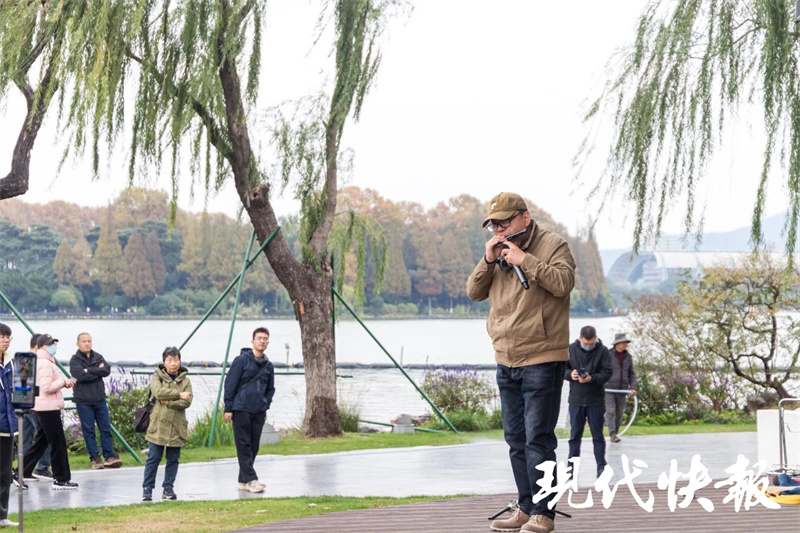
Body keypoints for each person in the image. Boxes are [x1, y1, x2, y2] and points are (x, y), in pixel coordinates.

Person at [466, 192, 575, 533]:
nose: (499, 229)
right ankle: (526, 508)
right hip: (506, 358)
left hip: (542, 357)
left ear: (525, 217)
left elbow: (563, 283)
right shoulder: (497, 252)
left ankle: (544, 513)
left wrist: (525, 260)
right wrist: (487, 260)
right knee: (515, 439)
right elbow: (473, 292)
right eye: (494, 225)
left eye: (505, 222)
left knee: (538, 439)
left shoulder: (553, 245)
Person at [22, 334, 79, 490]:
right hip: (48, 408)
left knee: (42, 441)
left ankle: (21, 470)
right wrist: (64, 382)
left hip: (41, 406)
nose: (53, 347)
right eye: (50, 344)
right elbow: (47, 387)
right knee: (58, 443)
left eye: (54, 343)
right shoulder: (46, 363)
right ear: (41, 347)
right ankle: (61, 479)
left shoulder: (37, 361)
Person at [224, 327, 275, 494]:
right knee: (243, 445)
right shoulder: (241, 360)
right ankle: (252, 480)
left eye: (265, 339)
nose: (262, 341)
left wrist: (265, 404)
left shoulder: (268, 366)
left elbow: (270, 389)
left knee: (253, 446)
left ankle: (243, 480)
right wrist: (228, 407)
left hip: (258, 410)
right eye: (259, 338)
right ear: (253, 341)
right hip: (241, 408)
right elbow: (230, 383)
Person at [142, 347, 192, 501]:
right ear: (164, 362)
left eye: (176, 360)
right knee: (153, 458)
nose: (173, 363)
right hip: (157, 425)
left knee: (173, 459)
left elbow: (187, 402)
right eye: (170, 360)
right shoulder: (157, 377)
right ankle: (147, 489)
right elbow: (158, 393)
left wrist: (168, 402)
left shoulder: (186, 380)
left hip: (177, 426)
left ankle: (168, 488)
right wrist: (179, 394)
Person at [564, 325, 612, 479]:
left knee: (598, 436)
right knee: (574, 437)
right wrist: (570, 375)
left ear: (596, 339)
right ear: (580, 339)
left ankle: (601, 467)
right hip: (576, 399)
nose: (588, 346)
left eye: (591, 344)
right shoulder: (571, 349)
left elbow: (607, 372)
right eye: (586, 343)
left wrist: (592, 378)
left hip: (595, 400)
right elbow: (561, 369)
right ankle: (571, 468)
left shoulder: (603, 351)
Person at [69, 332, 122, 469]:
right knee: (89, 430)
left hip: (99, 399)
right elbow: (80, 376)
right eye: (84, 341)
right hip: (84, 401)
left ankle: (109, 456)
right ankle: (95, 458)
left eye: (89, 341)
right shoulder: (74, 360)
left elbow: (106, 370)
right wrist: (97, 372)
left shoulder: (98, 356)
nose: (87, 343)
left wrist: (89, 370)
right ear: (78, 344)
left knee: (105, 428)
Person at [20, 333, 52, 483]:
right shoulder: (35, 360)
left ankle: (24, 469)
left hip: (25, 404)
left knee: (26, 437)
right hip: (35, 404)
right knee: (44, 435)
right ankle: (42, 467)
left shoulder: (23, 359)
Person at [0, 324, 19, 527]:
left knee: (5, 473)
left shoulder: (12, 363)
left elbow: (21, 389)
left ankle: (2, 516)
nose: (6, 340)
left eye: (8, 337)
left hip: (7, 426)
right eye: (2, 336)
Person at [605, 333, 637, 443]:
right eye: (623, 342)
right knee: (610, 412)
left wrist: (633, 387)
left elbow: (631, 373)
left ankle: (615, 433)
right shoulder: (608, 355)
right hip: (609, 389)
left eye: (626, 343)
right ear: (617, 343)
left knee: (619, 413)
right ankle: (612, 434)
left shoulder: (628, 357)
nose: (625, 345)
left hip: (622, 389)